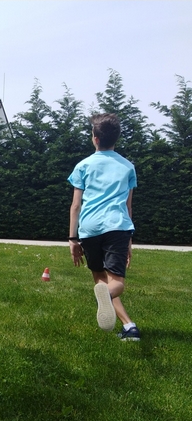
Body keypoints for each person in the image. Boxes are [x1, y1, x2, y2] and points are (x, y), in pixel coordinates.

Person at [68, 113, 140, 341]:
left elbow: (76, 205)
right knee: (116, 283)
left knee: (100, 278)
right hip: (118, 226)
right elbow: (128, 206)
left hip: (90, 228)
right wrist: (128, 239)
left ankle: (129, 327)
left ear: (95, 138)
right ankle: (115, 308)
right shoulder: (128, 167)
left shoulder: (83, 165)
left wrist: (72, 239)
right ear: (116, 139)